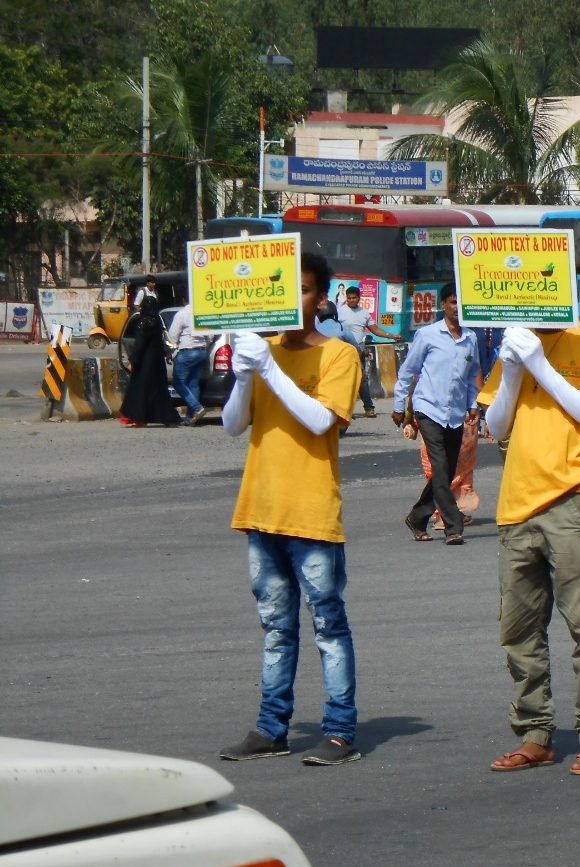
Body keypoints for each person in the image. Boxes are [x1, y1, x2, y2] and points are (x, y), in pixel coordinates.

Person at [217, 251, 364, 767]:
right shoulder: (264, 352)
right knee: (276, 627)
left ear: (319, 298)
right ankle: (271, 727)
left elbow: (322, 421)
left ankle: (341, 731)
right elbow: (233, 425)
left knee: (328, 625)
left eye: (301, 291)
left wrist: (268, 369)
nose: (290, 301)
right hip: (261, 508)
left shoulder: (340, 355)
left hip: (312, 512)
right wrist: (242, 375)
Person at [476, 319, 580, 776]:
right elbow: (495, 426)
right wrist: (514, 366)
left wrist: (540, 365)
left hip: (573, 499)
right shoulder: (517, 337)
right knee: (518, 631)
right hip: (516, 504)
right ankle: (534, 733)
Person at [393, 283, 481, 546]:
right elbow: (408, 371)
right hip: (427, 408)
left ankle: (417, 517)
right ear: (443, 305)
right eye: (453, 302)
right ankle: (453, 525)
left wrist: (473, 404)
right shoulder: (427, 335)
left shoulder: (470, 338)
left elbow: (471, 375)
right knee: (440, 466)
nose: (457, 308)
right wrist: (399, 406)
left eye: (461, 303)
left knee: (447, 469)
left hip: (454, 413)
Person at [119, 296, 181, 428]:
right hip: (157, 363)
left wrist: (133, 360)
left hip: (144, 364)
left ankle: (140, 417)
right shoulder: (158, 321)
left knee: (140, 391)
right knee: (158, 392)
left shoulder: (144, 322)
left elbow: (140, 344)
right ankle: (167, 417)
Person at [337, 285, 397, 418]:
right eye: (349, 298)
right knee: (344, 381)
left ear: (359, 298)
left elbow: (375, 330)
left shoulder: (364, 313)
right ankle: (346, 410)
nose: (351, 300)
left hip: (358, 352)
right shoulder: (339, 312)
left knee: (362, 381)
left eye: (354, 298)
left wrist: (391, 336)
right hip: (343, 351)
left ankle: (369, 408)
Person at [166, 295, 209, 425]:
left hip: (187, 351)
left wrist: (170, 351)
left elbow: (172, 336)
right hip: (202, 351)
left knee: (178, 383)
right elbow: (211, 333)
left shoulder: (181, 314)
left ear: (184, 300)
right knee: (193, 383)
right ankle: (191, 418)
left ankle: (197, 408)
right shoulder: (202, 313)